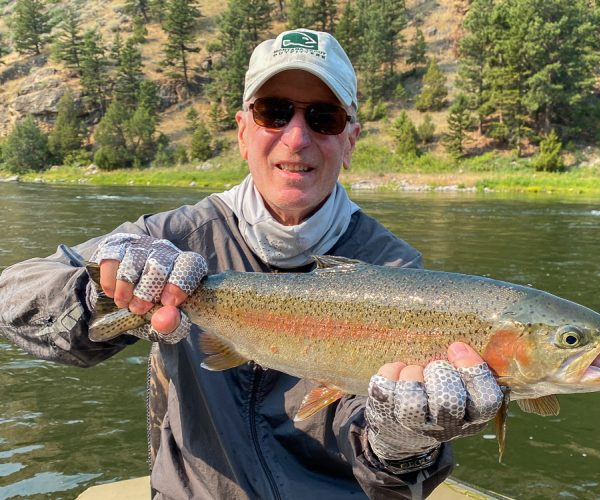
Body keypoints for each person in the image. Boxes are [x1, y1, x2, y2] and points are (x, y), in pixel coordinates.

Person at [0, 29, 502, 499]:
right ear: (243, 131)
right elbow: (15, 296)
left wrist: (404, 445)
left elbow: (386, 474)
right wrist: (102, 291)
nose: (297, 138)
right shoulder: (170, 238)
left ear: (349, 141)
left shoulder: (393, 272)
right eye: (274, 112)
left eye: (323, 118)